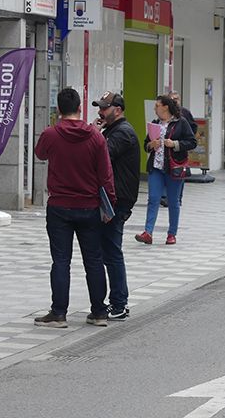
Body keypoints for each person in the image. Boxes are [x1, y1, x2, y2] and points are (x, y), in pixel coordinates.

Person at [33, 87, 116, 328]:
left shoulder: (51, 134)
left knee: (60, 261)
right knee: (94, 260)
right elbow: (106, 174)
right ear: (80, 108)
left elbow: (40, 154)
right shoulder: (96, 136)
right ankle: (99, 312)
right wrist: (109, 205)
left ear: (58, 109)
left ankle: (59, 313)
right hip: (89, 205)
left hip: (59, 205)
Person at [93, 91, 140, 321]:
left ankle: (119, 303)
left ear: (118, 110)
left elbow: (100, 154)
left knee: (111, 252)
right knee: (108, 252)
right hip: (113, 199)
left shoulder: (123, 133)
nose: (101, 112)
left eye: (105, 108)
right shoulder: (112, 130)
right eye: (100, 107)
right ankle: (118, 301)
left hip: (116, 201)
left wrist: (94, 133)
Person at [135, 95, 197, 245]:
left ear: (165, 107)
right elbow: (145, 145)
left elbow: (192, 142)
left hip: (174, 167)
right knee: (153, 199)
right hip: (156, 167)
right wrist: (151, 145)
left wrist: (174, 144)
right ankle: (148, 232)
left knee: (173, 201)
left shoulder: (180, 123)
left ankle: (172, 234)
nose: (155, 108)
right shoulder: (155, 124)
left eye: (157, 105)